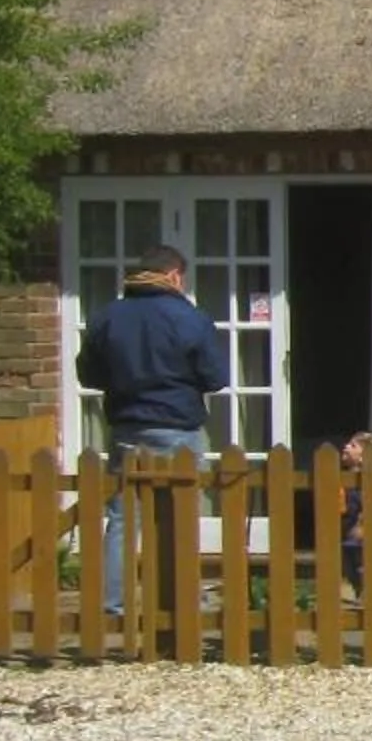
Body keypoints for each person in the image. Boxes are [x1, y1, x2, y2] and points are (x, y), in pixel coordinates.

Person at [75, 245, 230, 617]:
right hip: (178, 427)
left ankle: (114, 607)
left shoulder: (107, 317)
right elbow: (216, 378)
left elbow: (89, 374)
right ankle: (182, 602)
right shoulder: (189, 318)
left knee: (123, 519)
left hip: (128, 426)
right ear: (175, 275)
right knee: (180, 518)